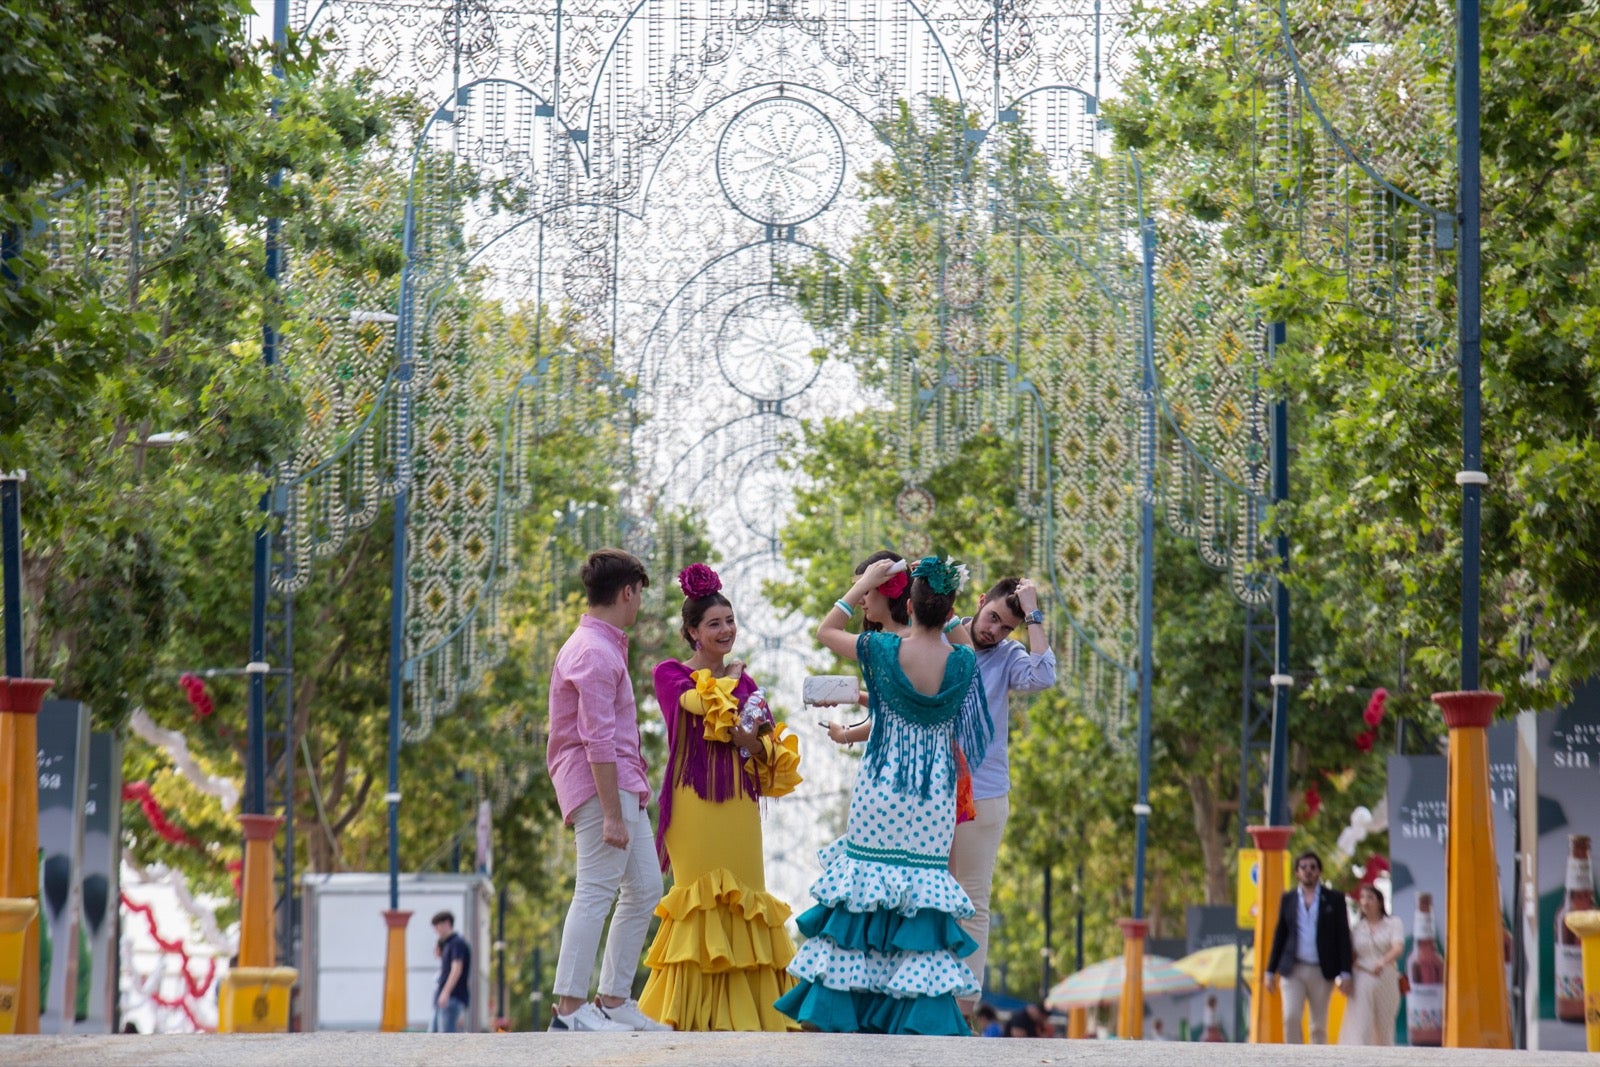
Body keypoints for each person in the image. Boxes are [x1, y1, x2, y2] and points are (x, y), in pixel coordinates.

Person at [776, 556, 991, 1034]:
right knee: (919, 898)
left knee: (862, 895)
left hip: (883, 789)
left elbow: (826, 630)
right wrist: (946, 610)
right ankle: (909, 1016)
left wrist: (864, 586)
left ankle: (841, 1010)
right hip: (935, 794)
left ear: (908, 605)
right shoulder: (962, 662)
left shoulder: (880, 650)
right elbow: (958, 637)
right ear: (948, 606)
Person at [637, 563, 802, 1031]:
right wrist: (731, 681)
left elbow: (756, 744)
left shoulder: (745, 683)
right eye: (714, 624)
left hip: (739, 805)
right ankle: (684, 1017)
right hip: (692, 805)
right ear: (692, 632)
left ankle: (750, 1014)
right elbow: (703, 707)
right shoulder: (669, 674)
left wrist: (747, 733)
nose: (726, 630)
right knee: (698, 900)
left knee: (746, 898)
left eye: (729, 621)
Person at [545, 548, 670, 1033]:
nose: (638, 604)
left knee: (643, 889)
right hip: (602, 785)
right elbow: (596, 738)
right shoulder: (593, 652)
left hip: (621, 785)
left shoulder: (601, 645)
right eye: (638, 594)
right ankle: (570, 1011)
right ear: (627, 592)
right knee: (595, 889)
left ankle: (614, 1000)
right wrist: (614, 814)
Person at [947, 577, 1056, 1013]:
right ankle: (918, 997)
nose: (994, 631)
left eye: (1006, 626)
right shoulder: (944, 634)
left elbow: (1044, 676)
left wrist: (1033, 615)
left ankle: (964, 1004)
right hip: (932, 788)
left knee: (973, 900)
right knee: (924, 893)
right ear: (980, 602)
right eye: (993, 617)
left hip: (986, 791)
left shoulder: (1009, 656)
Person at [1264, 849, 1354, 1044]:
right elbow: (1280, 935)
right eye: (1303, 867)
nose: (1308, 871)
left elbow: (1343, 936)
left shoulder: (1334, 899)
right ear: (1297, 872)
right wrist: (1270, 971)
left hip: (1321, 970)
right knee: (1290, 1017)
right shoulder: (1288, 899)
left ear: (1319, 871)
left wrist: (1346, 972)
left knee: (1318, 1025)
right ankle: (1294, 1060)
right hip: (1293, 969)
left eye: (1312, 867)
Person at [1338, 884, 1404, 1046]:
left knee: (1384, 1027)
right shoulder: (1357, 929)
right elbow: (1350, 956)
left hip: (1386, 977)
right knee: (1361, 1026)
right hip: (1362, 978)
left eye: (1370, 898)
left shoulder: (1393, 923)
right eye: (1362, 898)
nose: (1366, 902)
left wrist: (1382, 962)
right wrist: (1344, 977)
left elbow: (1398, 947)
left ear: (1380, 902)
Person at [430, 910, 471, 1032]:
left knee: (446, 1038)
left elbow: (456, 968)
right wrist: (439, 942)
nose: (436, 931)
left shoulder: (457, 943)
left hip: (452, 998)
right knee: (433, 1036)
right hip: (444, 997)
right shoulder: (448, 944)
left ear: (446, 923)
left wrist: (446, 992)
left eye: (437, 926)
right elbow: (437, 954)